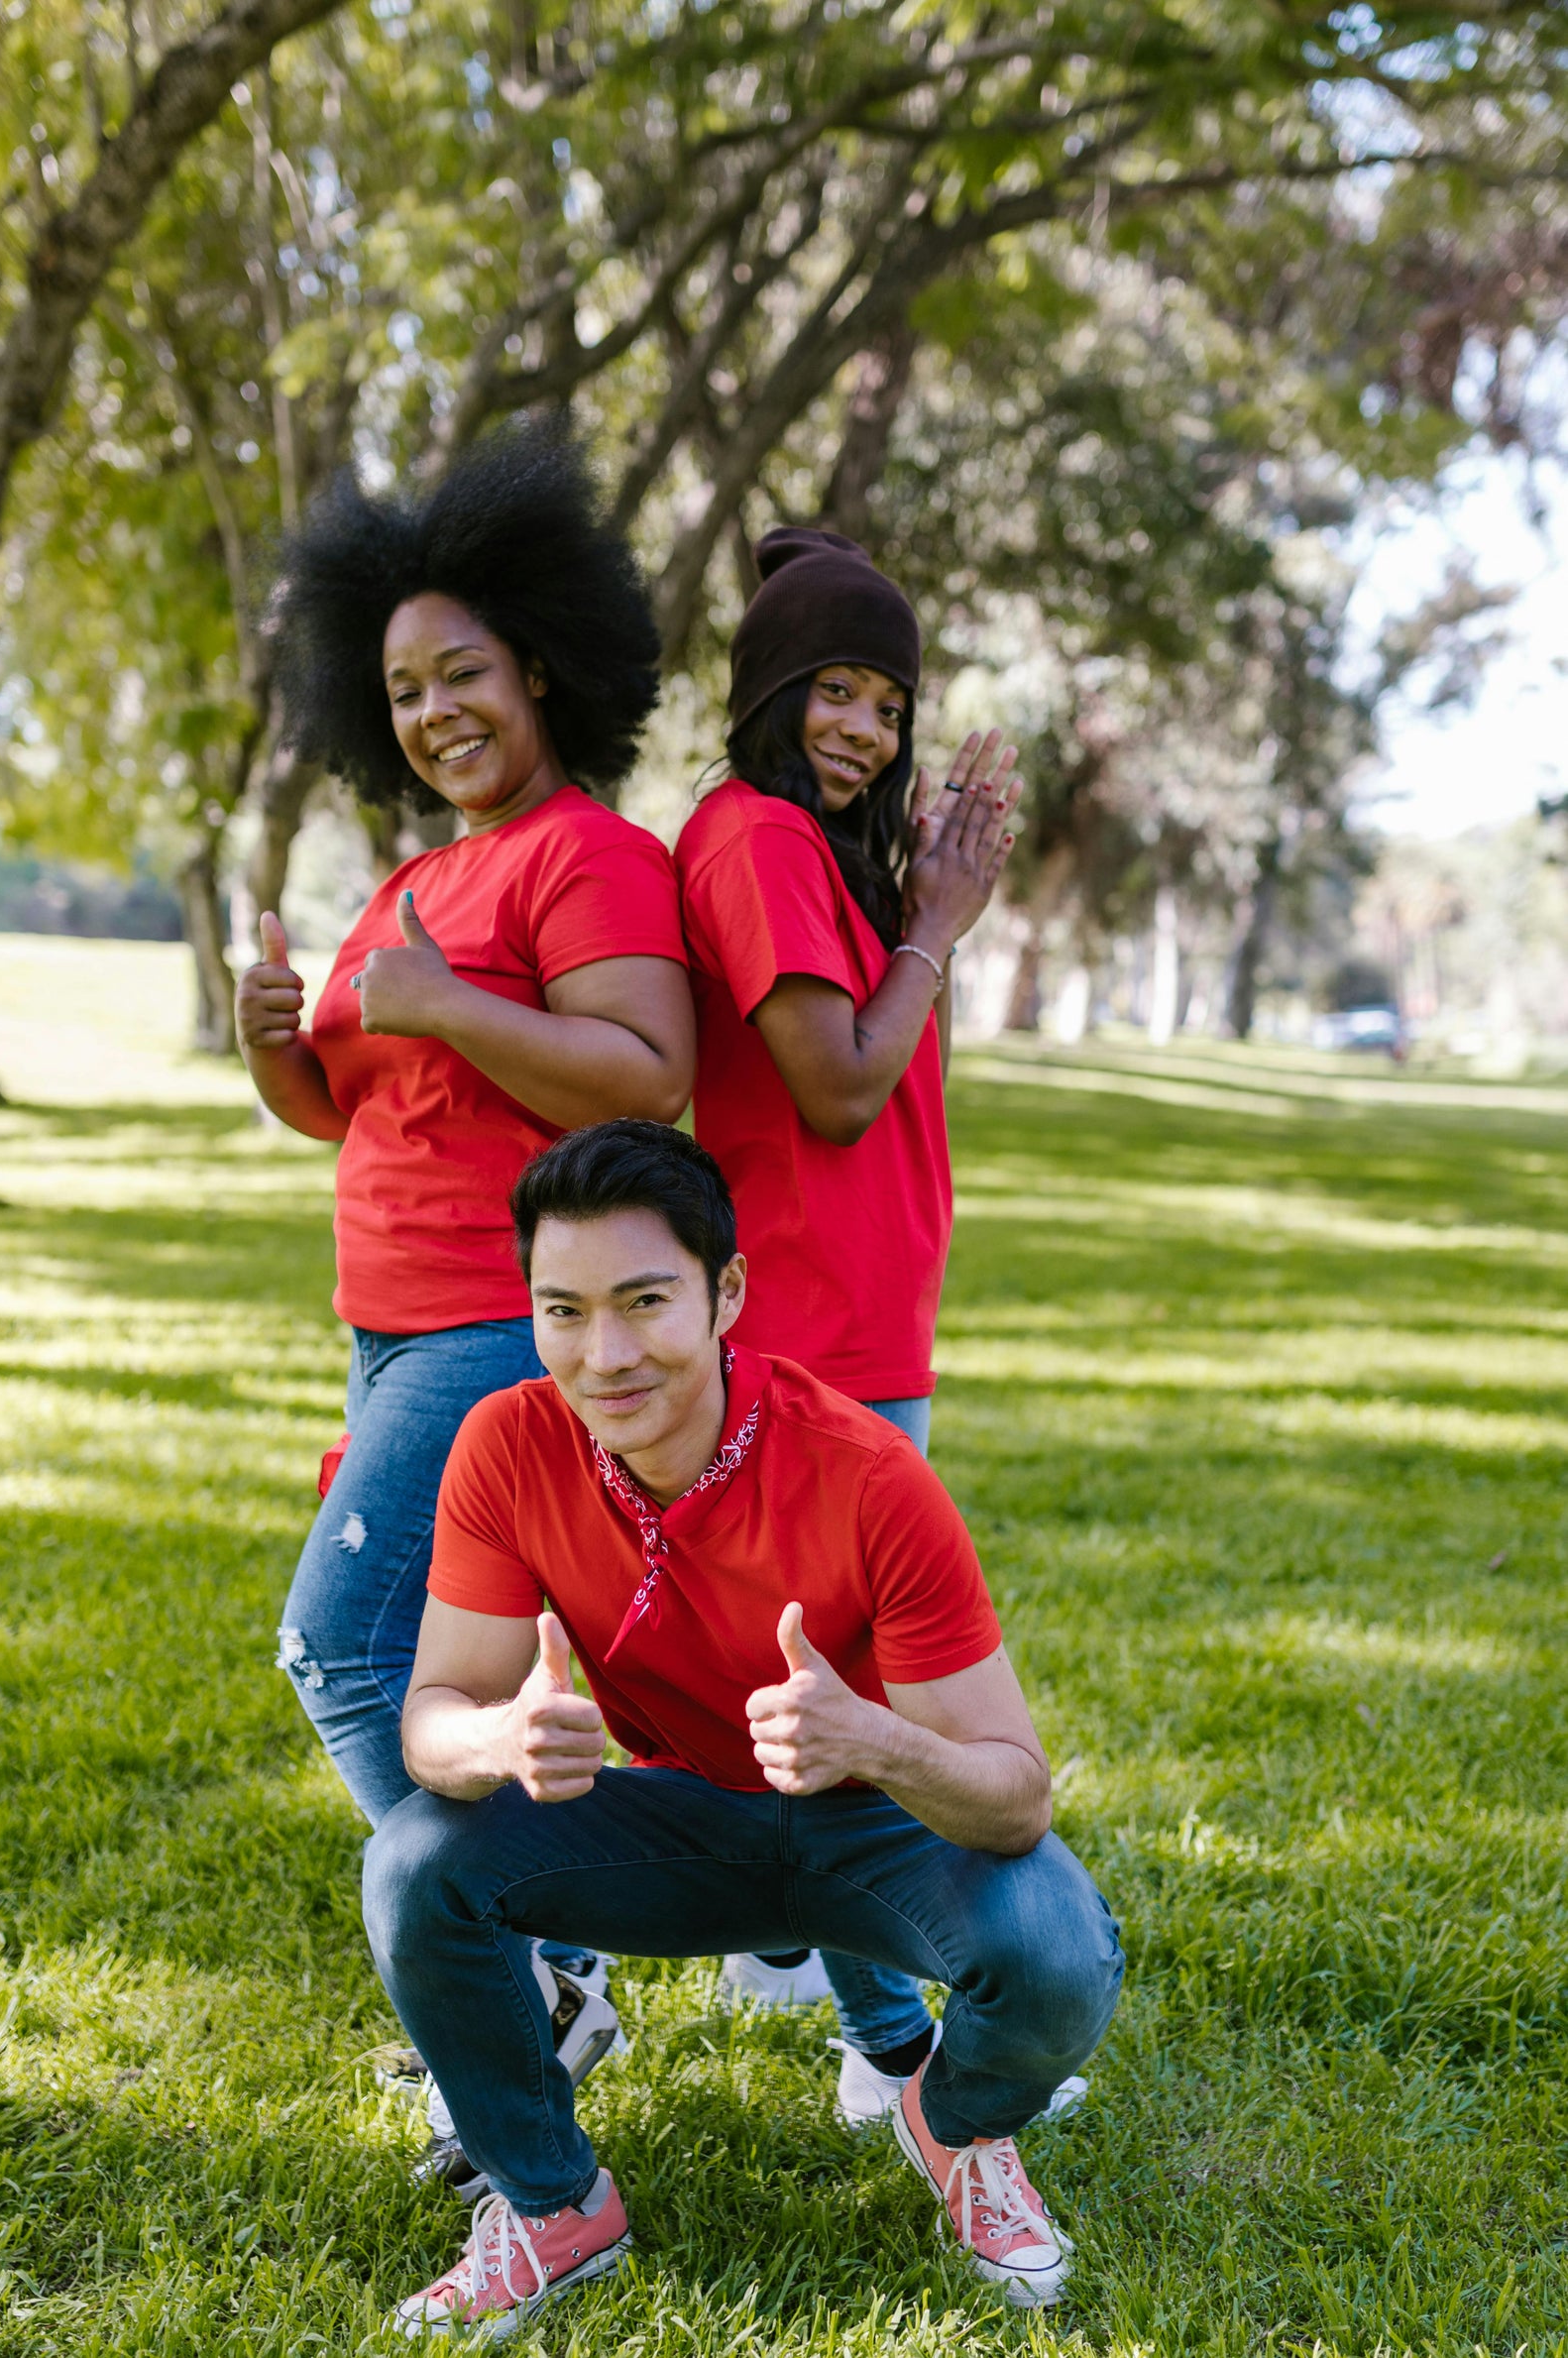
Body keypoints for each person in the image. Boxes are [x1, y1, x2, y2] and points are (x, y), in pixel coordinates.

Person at [363, 1120, 1123, 2336]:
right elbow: (431, 1724)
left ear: (724, 1294)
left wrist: (871, 1741)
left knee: (1057, 1950)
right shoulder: (507, 1443)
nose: (605, 1354)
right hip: (674, 1824)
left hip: (870, 1827)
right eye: (563, 1311)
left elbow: (1014, 1797)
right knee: (413, 1859)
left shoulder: (867, 1473)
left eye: (644, 1301)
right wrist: (500, 1741)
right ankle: (551, 2206)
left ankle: (955, 2127)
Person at [234, 424, 695, 2143]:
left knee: (340, 1643)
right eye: (403, 690)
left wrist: (449, 1004)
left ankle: (535, 1966)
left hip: (497, 1320)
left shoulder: (590, 856)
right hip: (387, 1328)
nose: (434, 711)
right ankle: (548, 1954)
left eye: (464, 673)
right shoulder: (416, 881)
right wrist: (274, 1044)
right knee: (470, 1671)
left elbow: (646, 1076)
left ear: (541, 668)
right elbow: (350, 1104)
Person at [673, 527, 1034, 2119]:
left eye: (889, 704)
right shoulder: (755, 838)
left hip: (861, 1317)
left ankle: (799, 1963)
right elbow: (834, 1086)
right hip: (816, 1332)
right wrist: (938, 922)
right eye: (835, 690)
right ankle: (886, 2047)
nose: (866, 731)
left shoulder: (807, 850)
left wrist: (922, 901)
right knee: (863, 1693)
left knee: (829, 1679)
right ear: (768, 689)